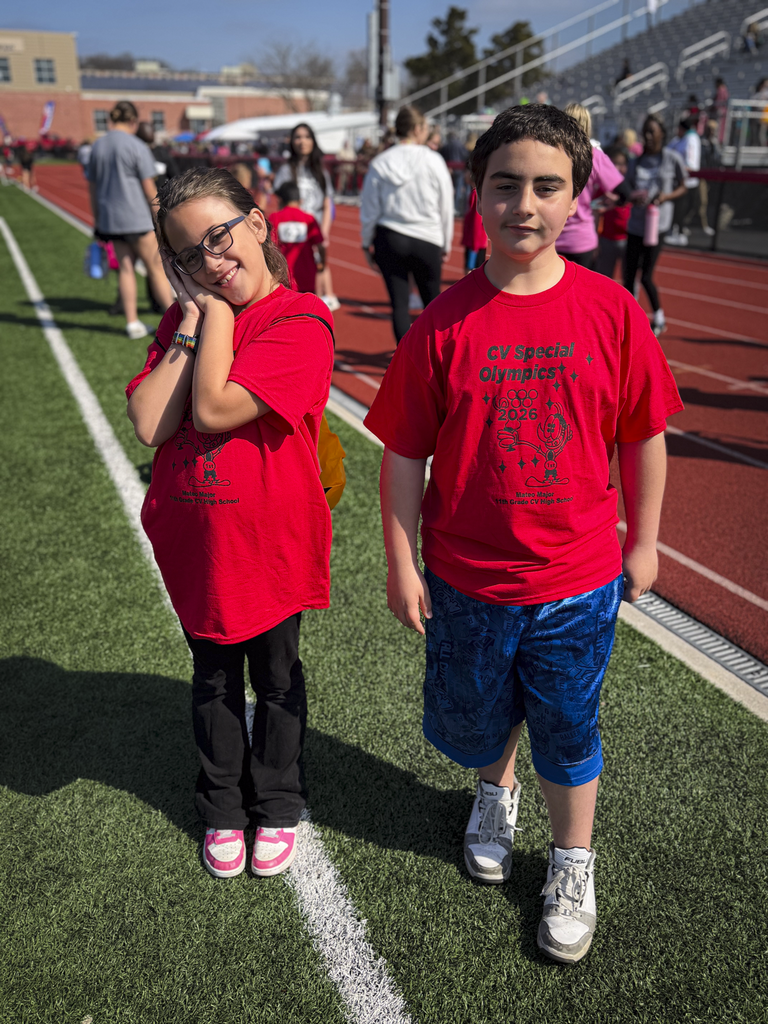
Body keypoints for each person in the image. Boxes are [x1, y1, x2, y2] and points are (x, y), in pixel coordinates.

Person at [363, 103, 683, 965]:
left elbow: (643, 434)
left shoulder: (612, 313)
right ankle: (493, 795)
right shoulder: (443, 323)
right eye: (506, 184)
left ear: (578, 198)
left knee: (569, 724)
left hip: (577, 581)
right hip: (466, 581)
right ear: (477, 194)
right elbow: (402, 455)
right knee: (481, 715)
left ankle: (573, 860)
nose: (525, 204)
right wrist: (401, 561)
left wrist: (643, 541)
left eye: (548, 186)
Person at [125, 167, 334, 880]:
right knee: (212, 678)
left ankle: (275, 800)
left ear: (259, 224)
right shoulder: (184, 318)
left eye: (219, 238)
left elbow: (211, 410)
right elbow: (153, 421)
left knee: (276, 679)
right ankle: (220, 804)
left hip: (269, 549)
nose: (211, 263)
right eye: (189, 257)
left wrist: (211, 316)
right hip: (196, 547)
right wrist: (190, 321)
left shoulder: (301, 321)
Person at [360, 104, 454, 344]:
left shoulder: (381, 162)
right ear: (417, 128)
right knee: (434, 304)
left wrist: (365, 242)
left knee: (399, 305)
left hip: (390, 237)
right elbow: (445, 205)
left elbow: (370, 207)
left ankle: (405, 359)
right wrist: (446, 242)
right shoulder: (434, 160)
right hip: (428, 237)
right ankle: (437, 359)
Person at [87, 100, 173, 339]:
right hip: (137, 218)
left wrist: (98, 220)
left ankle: (132, 322)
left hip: (111, 220)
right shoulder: (137, 146)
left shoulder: (97, 147)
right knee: (155, 268)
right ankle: (173, 318)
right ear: (134, 121)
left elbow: (92, 189)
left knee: (125, 268)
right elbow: (149, 189)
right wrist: (160, 218)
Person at [623, 114, 687, 336]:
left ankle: (658, 316)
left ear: (662, 133)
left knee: (647, 275)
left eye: (652, 132)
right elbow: (627, 190)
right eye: (645, 132)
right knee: (629, 276)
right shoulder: (635, 162)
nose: (648, 137)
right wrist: (634, 196)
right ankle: (630, 319)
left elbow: (684, 185)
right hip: (635, 225)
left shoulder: (672, 158)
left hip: (657, 226)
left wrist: (666, 197)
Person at [272, 123, 340, 312]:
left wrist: (323, 231)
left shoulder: (321, 171)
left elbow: (327, 204)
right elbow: (280, 202)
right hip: (293, 228)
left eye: (307, 137)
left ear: (313, 141)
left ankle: (323, 298)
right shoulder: (286, 170)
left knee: (319, 262)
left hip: (313, 227)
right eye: (298, 137)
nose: (302, 141)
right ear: (292, 142)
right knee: (291, 265)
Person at [555, 104, 628, 270]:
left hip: (551, 237)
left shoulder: (552, 153)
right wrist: (601, 205)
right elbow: (625, 193)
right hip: (582, 240)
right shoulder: (593, 155)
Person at [269, 180, 325, 293]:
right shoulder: (309, 219)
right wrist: (323, 263)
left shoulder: (275, 218)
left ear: (280, 200)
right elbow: (320, 245)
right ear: (300, 200)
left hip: (284, 277)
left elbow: (270, 247)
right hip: (307, 275)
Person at [595, 146, 630, 278]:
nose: (618, 167)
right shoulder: (603, 188)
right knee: (604, 276)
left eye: (622, 164)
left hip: (627, 239)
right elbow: (595, 209)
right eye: (613, 163)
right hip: (606, 239)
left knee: (629, 278)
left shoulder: (629, 187)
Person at [667, 117, 702, 245]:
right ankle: (676, 230)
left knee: (681, 209)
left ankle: (679, 233)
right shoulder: (681, 139)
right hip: (682, 180)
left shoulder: (691, 139)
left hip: (686, 181)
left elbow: (690, 164)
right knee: (678, 208)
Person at [462, 187, 487, 272]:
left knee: (472, 270)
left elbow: (477, 218)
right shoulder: (477, 192)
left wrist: (474, 244)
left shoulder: (476, 194)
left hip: (475, 240)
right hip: (475, 238)